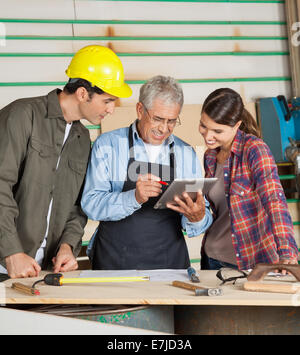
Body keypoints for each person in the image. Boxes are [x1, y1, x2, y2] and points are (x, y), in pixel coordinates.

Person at [0, 45, 132, 279]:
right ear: (83, 94)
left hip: (42, 271)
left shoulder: (82, 140)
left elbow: (76, 205)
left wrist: (67, 246)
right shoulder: (22, 116)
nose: (111, 110)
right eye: (107, 101)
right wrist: (11, 252)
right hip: (5, 262)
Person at [81, 75, 212, 270]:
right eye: (158, 119)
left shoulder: (185, 153)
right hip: (115, 261)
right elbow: (90, 204)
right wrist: (133, 197)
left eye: (171, 121)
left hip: (169, 262)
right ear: (140, 110)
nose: (163, 128)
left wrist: (198, 216)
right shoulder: (108, 145)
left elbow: (200, 217)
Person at [196, 88, 298, 270]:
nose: (207, 136)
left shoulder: (255, 150)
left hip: (250, 262)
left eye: (217, 131)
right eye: (204, 126)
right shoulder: (210, 156)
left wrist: (287, 251)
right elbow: (219, 211)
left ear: (236, 125)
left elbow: (274, 200)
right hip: (211, 259)